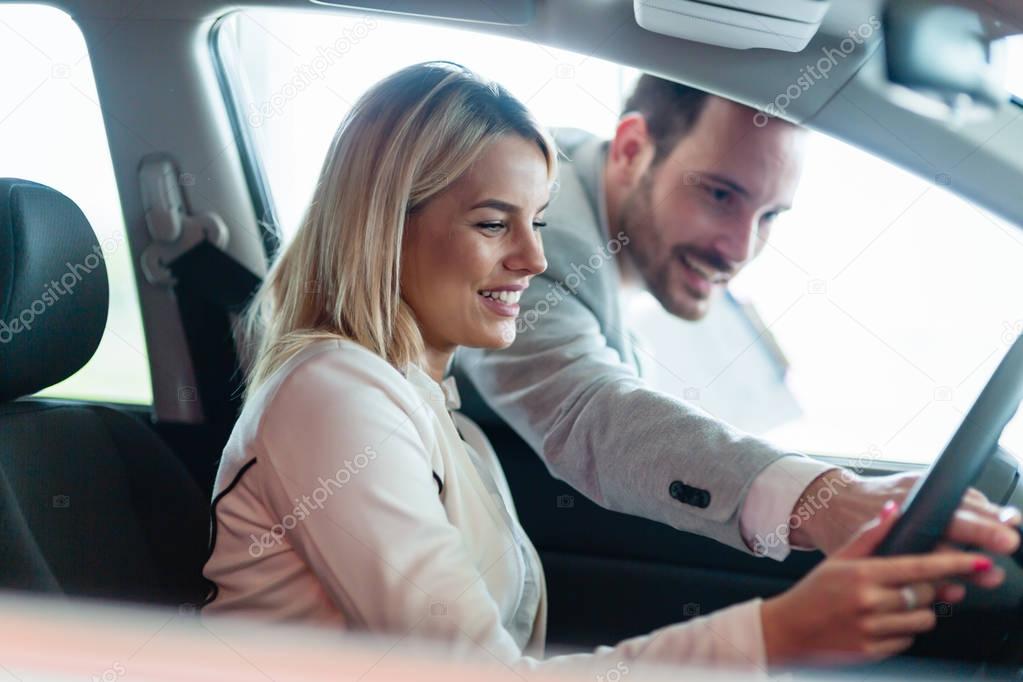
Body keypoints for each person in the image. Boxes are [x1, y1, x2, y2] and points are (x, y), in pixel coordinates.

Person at [201, 62, 1006, 674]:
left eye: (539, 222)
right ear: (384, 225)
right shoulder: (336, 396)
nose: (534, 258)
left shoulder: (423, 404)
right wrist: (779, 629)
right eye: (492, 223)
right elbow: (592, 412)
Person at [456, 74, 1022, 563]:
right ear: (631, 149)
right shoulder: (544, 237)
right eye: (721, 195)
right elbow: (588, 413)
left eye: (770, 214)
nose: (740, 248)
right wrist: (824, 497)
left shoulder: (603, 227)